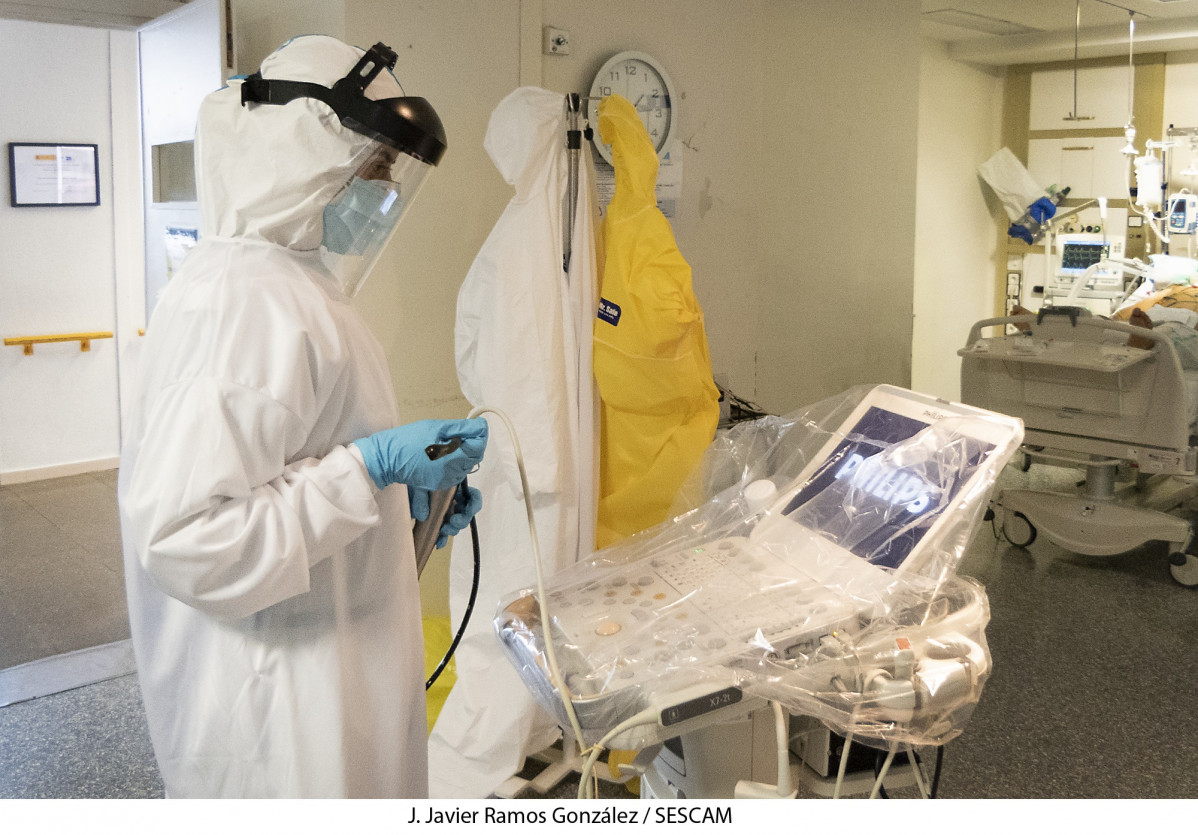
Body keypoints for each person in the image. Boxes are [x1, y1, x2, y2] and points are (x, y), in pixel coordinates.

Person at [117, 35, 486, 798]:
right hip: (278, 706)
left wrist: (402, 510)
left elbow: (294, 467)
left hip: (331, 670)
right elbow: (188, 539)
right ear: (301, 154)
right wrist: (371, 471)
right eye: (372, 168)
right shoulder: (241, 302)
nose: (382, 193)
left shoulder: (296, 284)